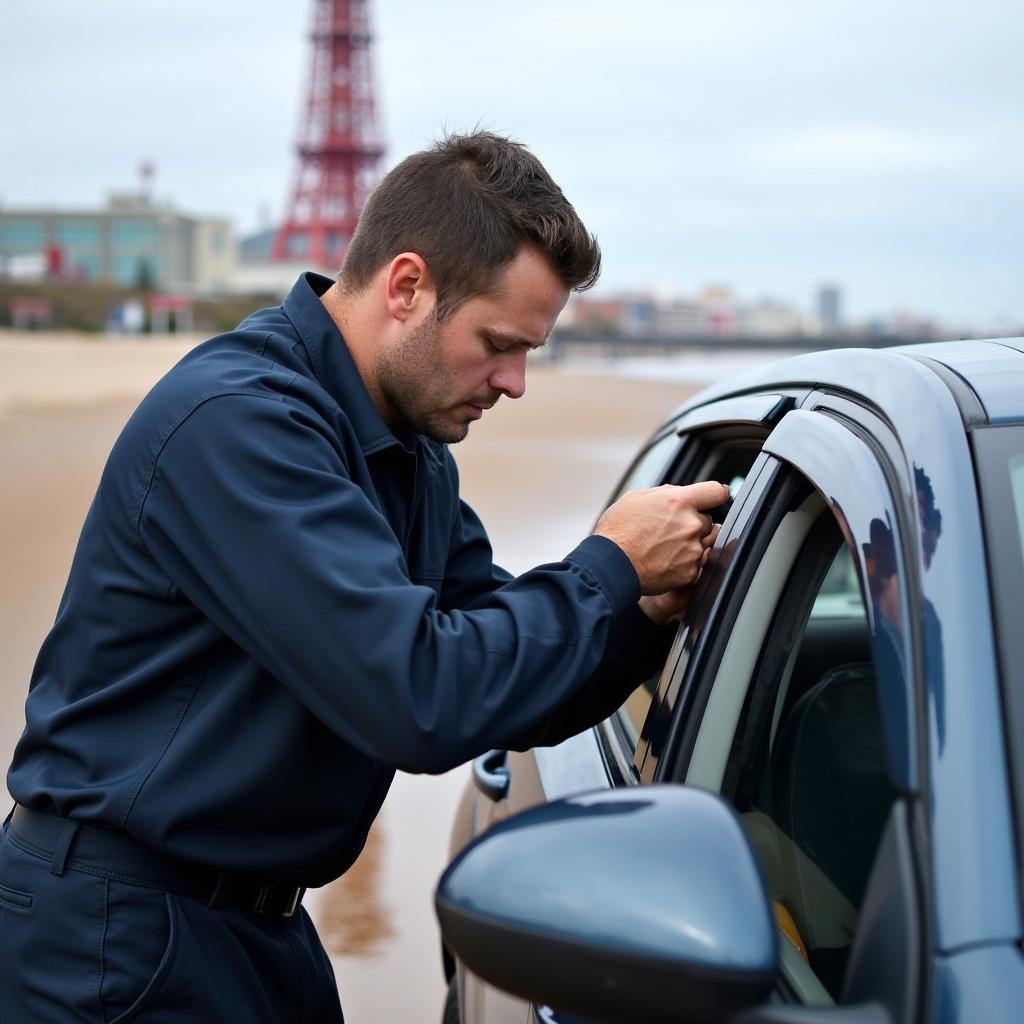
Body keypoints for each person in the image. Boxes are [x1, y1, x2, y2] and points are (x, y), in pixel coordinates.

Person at [0, 131, 727, 1021]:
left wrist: (645, 612)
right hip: (118, 942)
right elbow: (419, 694)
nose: (516, 381)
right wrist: (608, 564)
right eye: (500, 343)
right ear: (408, 286)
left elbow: (501, 674)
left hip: (259, 928)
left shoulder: (407, 449)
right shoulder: (239, 425)